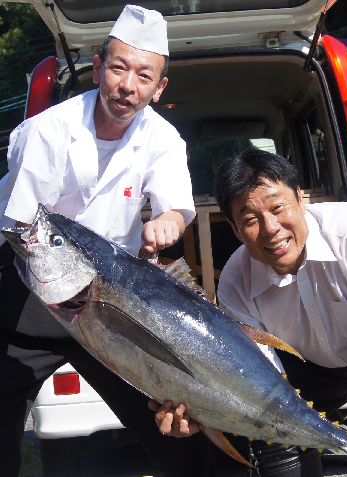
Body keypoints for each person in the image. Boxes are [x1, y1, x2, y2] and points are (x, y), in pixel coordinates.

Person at [153, 148, 347, 477]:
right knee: (264, 420)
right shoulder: (235, 285)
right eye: (250, 220)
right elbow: (259, 385)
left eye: (278, 207)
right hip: (314, 364)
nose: (271, 228)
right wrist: (202, 416)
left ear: (300, 199)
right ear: (234, 228)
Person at [0, 5, 216, 476]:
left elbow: (177, 206)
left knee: (174, 419)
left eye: (144, 75)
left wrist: (169, 223)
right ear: (99, 68)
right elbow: (20, 229)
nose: (127, 85)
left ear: (159, 88)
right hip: (32, 288)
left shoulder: (163, 138)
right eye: (118, 68)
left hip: (110, 297)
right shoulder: (45, 132)